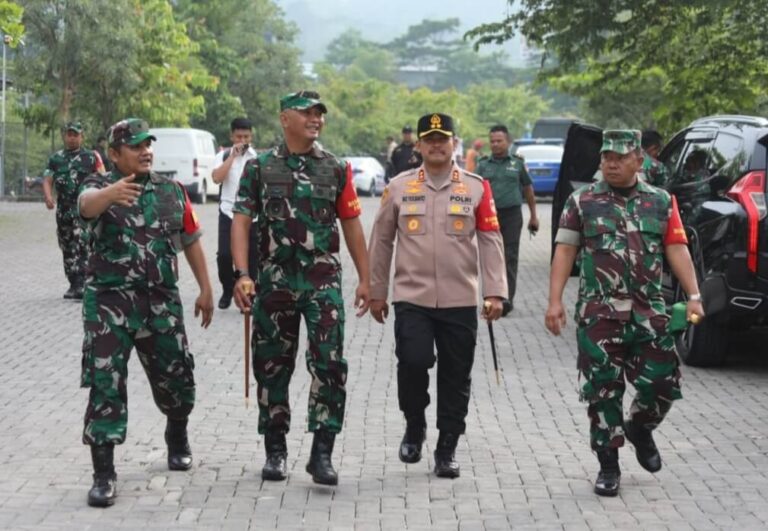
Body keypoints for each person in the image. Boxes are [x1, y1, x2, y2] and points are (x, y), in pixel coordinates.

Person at [545, 130, 704, 497]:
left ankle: (640, 427)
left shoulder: (661, 201)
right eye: (606, 158)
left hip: (650, 312)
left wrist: (693, 295)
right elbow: (565, 252)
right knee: (603, 392)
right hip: (599, 314)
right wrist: (554, 301)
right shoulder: (581, 200)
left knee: (663, 383)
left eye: (619, 157)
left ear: (639, 160)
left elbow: (676, 248)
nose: (611, 164)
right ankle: (608, 465)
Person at [230, 90, 370, 486]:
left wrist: (367, 277)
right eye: (307, 113)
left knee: (329, 362)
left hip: (322, 280)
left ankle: (321, 452)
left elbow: (352, 223)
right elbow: (241, 220)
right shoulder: (260, 168)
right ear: (284, 118)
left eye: (319, 113)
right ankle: (275, 449)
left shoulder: (336, 168)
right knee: (272, 365)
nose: (316, 119)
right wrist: (242, 273)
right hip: (274, 282)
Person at [77, 118, 214, 507]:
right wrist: (111, 194)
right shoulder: (98, 187)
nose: (145, 151)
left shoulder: (172, 191)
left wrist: (205, 288)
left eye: (148, 144)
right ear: (115, 154)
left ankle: (177, 432)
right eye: (136, 146)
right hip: (110, 306)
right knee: (106, 384)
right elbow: (85, 207)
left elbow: (190, 240)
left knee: (177, 377)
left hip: (160, 304)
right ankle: (103, 473)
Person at [368, 112, 507, 479]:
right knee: (412, 362)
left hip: (461, 298)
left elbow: (492, 240)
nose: (435, 144)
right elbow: (381, 241)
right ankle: (415, 424)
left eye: (442, 138)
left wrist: (495, 292)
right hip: (411, 297)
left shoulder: (476, 188)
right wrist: (376, 291)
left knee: (455, 375)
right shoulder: (398, 187)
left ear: (453, 143)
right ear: (418, 145)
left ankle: (447, 447)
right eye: (428, 139)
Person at [475, 125, 539, 315]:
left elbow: (528, 190)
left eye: (499, 141)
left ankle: (507, 299)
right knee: (490, 256)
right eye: (492, 141)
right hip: (489, 216)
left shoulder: (518, 164)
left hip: (512, 215)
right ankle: (491, 296)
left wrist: (534, 216)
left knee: (510, 256)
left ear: (508, 142)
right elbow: (476, 191)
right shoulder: (483, 164)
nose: (495, 144)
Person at [42, 121, 105, 299]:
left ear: (81, 136)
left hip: (84, 209)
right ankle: (73, 284)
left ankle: (84, 283)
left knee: (83, 243)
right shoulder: (56, 158)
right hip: (63, 211)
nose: (72, 138)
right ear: (65, 136)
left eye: (75, 134)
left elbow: (102, 178)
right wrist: (48, 197)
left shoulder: (92, 157)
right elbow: (47, 179)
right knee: (67, 246)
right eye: (69, 134)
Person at [211, 117, 260, 310]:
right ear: (232, 136)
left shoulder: (256, 158)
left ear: (251, 137)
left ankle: (248, 297)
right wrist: (232, 157)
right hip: (228, 212)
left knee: (252, 257)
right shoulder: (223, 156)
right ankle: (227, 288)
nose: (242, 141)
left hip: (251, 215)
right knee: (224, 256)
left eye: (246, 137)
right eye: (239, 136)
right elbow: (216, 178)